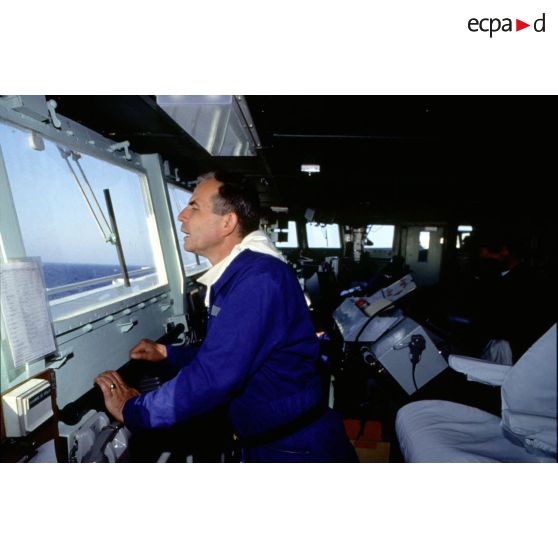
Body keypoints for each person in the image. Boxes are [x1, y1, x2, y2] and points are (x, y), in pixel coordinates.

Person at [96, 171, 357, 462]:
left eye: (194, 207)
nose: (182, 215)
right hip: (274, 440)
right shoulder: (245, 273)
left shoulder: (257, 279)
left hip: (294, 449)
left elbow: (214, 376)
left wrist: (136, 410)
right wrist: (168, 353)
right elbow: (229, 354)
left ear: (227, 222)